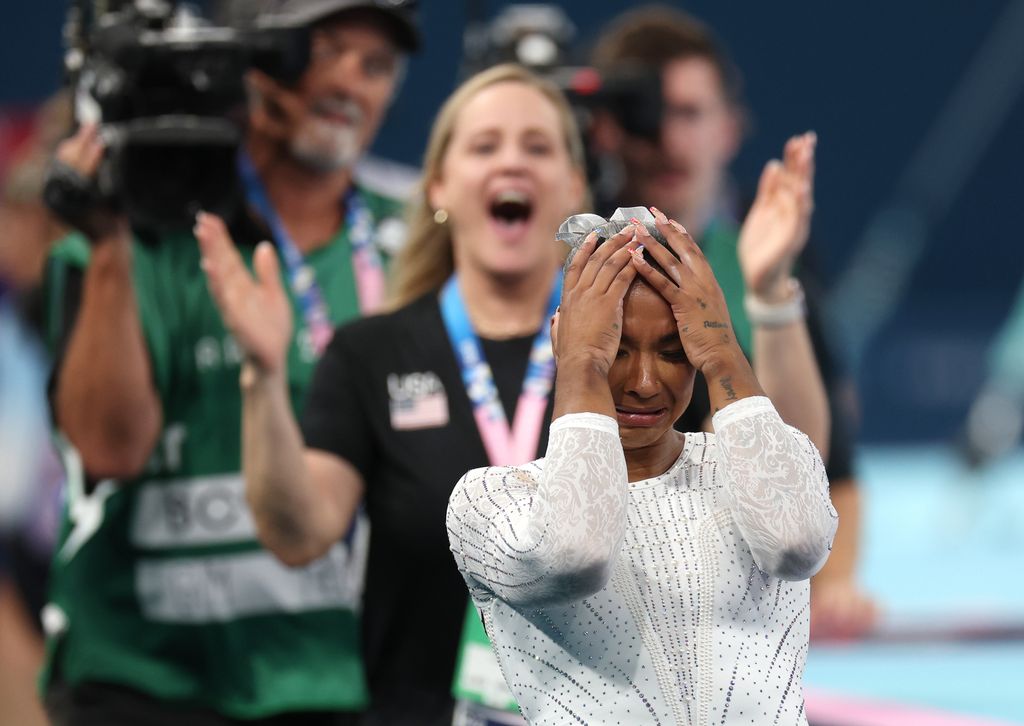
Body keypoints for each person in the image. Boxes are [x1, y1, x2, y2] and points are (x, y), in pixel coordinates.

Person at [39, 2, 418, 724]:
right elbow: (110, 448)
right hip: (143, 679)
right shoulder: (136, 232)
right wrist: (111, 238)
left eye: (375, 66)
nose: (348, 83)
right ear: (244, 59)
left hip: (340, 680)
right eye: (321, 51)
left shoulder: (417, 250)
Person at [196, 62, 586, 725]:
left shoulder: (634, 350)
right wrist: (261, 377)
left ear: (575, 186)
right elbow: (300, 534)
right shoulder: (369, 355)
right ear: (439, 186)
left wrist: (770, 300)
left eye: (539, 147)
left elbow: (780, 468)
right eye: (485, 146)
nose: (512, 162)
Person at [446, 211, 838, 724]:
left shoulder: (759, 465)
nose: (646, 383)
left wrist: (723, 353)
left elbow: (797, 546)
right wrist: (582, 360)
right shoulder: (491, 499)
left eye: (675, 352)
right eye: (616, 349)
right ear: (562, 336)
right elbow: (573, 555)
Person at [588, 4, 877, 638]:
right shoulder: (565, 242)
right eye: (648, 112)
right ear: (604, 127)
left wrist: (835, 585)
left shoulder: (769, 247)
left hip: (726, 602)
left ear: (731, 128)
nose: (666, 137)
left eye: (689, 113)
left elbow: (831, 463)